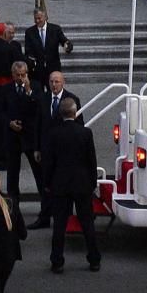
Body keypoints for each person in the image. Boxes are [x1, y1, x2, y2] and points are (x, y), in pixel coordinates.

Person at [37, 95, 100, 273]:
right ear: (75, 112)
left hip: (60, 184)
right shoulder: (85, 133)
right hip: (82, 184)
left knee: (59, 225)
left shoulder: (53, 134)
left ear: (60, 113)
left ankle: (57, 261)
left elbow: (49, 162)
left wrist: (47, 183)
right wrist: (92, 182)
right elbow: (91, 161)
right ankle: (94, 259)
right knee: (87, 223)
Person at [0, 61, 39, 209]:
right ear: (12, 75)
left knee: (38, 171)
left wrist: (28, 91)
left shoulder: (35, 86)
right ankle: (14, 206)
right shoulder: (5, 89)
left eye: (23, 74)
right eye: (18, 75)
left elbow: (38, 109)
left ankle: (46, 207)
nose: (21, 78)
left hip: (29, 136)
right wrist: (9, 123)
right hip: (12, 136)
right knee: (12, 174)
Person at [22, 10, 71, 80]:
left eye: (39, 18)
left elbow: (65, 41)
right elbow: (28, 50)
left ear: (45, 17)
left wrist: (67, 46)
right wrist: (32, 60)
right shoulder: (29, 32)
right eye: (35, 18)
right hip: (37, 70)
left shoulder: (55, 29)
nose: (37, 21)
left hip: (53, 68)